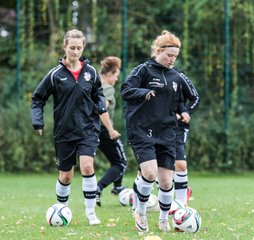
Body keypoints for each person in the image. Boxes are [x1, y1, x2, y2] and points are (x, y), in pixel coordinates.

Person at [31, 29, 106, 226]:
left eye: (79, 48)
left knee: (87, 166)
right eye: (71, 47)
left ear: (83, 48)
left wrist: (101, 105)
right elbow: (37, 99)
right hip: (64, 132)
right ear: (65, 47)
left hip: (88, 128)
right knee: (65, 176)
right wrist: (38, 121)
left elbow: (99, 92)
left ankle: (91, 214)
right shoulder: (55, 75)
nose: (75, 51)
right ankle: (60, 210)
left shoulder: (91, 72)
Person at [121, 30, 190, 233]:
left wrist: (184, 112)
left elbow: (179, 103)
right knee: (149, 173)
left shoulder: (176, 77)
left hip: (167, 132)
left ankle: (162, 219)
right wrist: (143, 93)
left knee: (167, 180)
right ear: (158, 51)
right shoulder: (143, 70)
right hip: (142, 129)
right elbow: (125, 90)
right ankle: (140, 212)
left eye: (175, 56)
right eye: (169, 55)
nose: (172, 60)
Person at [95, 56, 127, 207]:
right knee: (120, 163)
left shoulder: (95, 85)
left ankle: (117, 187)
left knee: (117, 160)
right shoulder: (107, 88)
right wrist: (111, 129)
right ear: (109, 75)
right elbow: (102, 110)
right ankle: (98, 188)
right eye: (115, 76)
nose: (115, 79)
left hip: (94, 131)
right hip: (104, 131)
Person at [173, 70, 200, 206]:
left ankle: (181, 205)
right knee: (152, 169)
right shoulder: (146, 72)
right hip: (155, 126)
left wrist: (185, 113)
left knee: (180, 165)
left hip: (178, 126)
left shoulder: (178, 75)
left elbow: (195, 98)